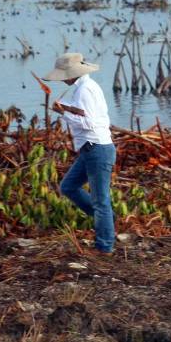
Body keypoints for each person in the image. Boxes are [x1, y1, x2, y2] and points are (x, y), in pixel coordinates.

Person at [43, 52, 117, 255]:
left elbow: (89, 123)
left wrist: (63, 114)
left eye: (63, 75)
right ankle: (107, 221)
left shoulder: (85, 90)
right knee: (68, 186)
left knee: (100, 201)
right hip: (90, 149)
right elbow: (85, 113)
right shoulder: (84, 88)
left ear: (70, 73)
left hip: (97, 148)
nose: (62, 79)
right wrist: (67, 108)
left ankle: (105, 246)